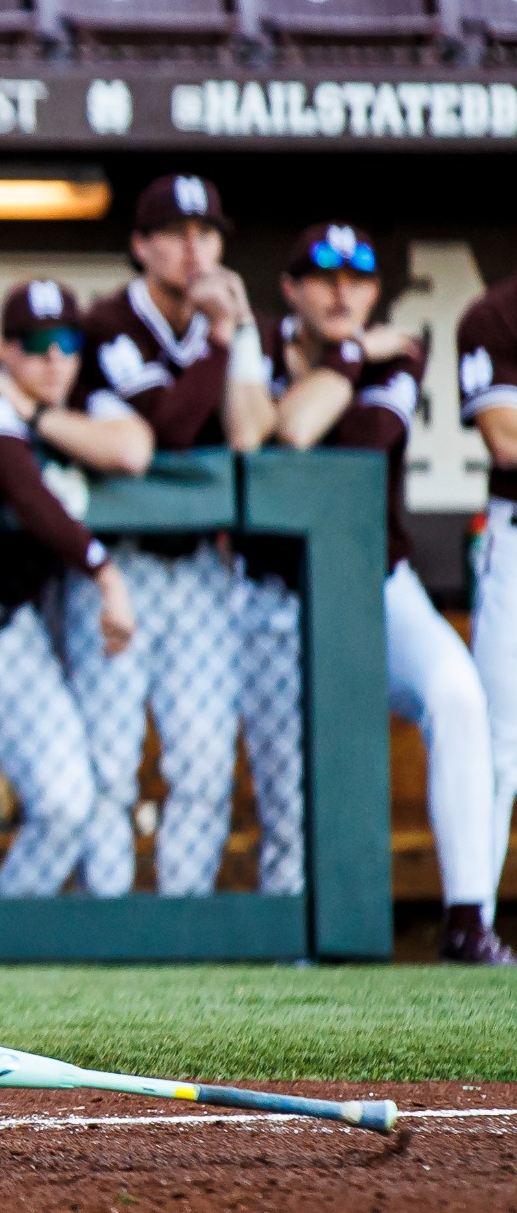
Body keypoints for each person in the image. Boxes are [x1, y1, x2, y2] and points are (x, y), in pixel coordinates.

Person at [269, 224, 512, 965]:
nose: (341, 290)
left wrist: (329, 374)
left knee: (458, 692)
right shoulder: (258, 345)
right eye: (323, 274)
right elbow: (288, 433)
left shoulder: (401, 349)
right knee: (283, 775)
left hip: (377, 579)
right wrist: (346, 359)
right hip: (271, 593)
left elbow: (355, 444)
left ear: (376, 290)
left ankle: (468, 918)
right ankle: (284, 946)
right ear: (291, 287)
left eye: (358, 277)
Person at [70, 173, 274, 899]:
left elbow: (253, 434)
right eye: (178, 234)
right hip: (119, 566)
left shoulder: (231, 323)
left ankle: (183, 922)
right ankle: (110, 925)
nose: (196, 249)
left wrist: (240, 334)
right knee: (108, 762)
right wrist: (219, 339)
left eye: (208, 233)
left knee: (203, 760)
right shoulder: (106, 325)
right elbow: (168, 427)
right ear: (141, 245)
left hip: (198, 571)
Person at [0, 279, 150, 897]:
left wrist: (44, 415)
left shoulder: (73, 409)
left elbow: (134, 449)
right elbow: (24, 489)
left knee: (67, 804)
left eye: (67, 344)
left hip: (15, 636)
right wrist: (104, 570)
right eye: (37, 345)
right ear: (6, 351)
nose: (53, 360)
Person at [456, 269, 517, 938]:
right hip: (515, 536)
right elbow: (506, 438)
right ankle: (476, 922)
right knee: (502, 745)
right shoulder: (496, 314)